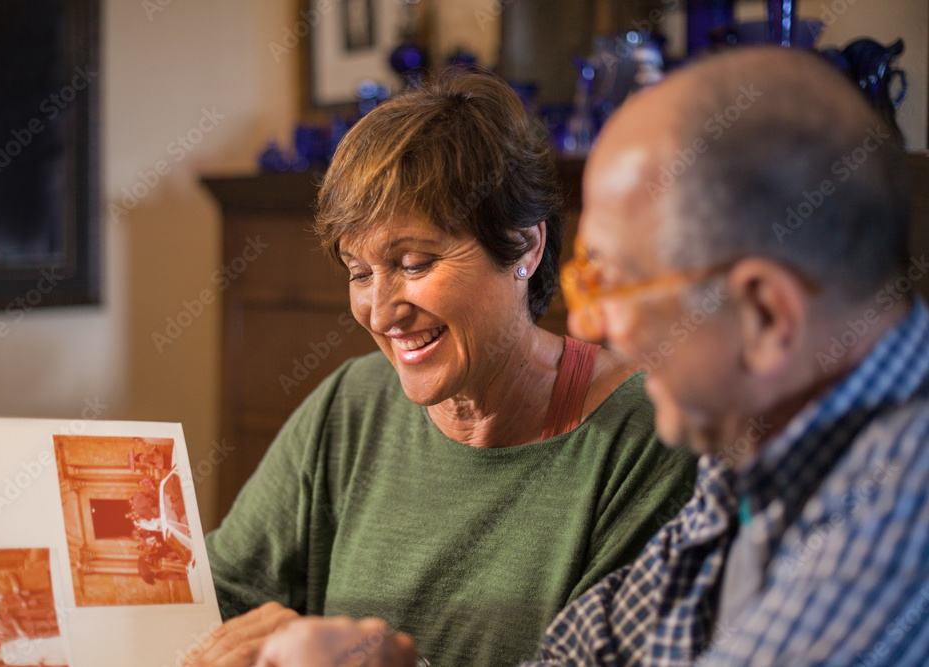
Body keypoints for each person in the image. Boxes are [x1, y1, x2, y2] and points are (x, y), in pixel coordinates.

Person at [254, 46, 929, 666]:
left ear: (766, 315)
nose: (587, 321)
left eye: (617, 282)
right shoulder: (749, 467)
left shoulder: (900, 516)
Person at [188, 69, 697, 667]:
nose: (381, 313)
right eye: (359, 272)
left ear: (526, 248)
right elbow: (216, 597)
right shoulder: (350, 404)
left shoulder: (648, 438)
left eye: (414, 263)